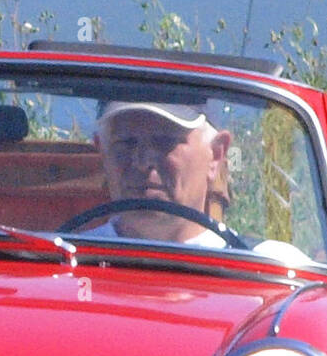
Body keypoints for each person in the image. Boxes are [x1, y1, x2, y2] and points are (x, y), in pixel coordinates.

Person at [90, 99, 311, 265]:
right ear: (102, 153)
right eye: (126, 142)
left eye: (165, 141)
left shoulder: (272, 269)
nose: (142, 161)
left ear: (216, 154)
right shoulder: (64, 264)